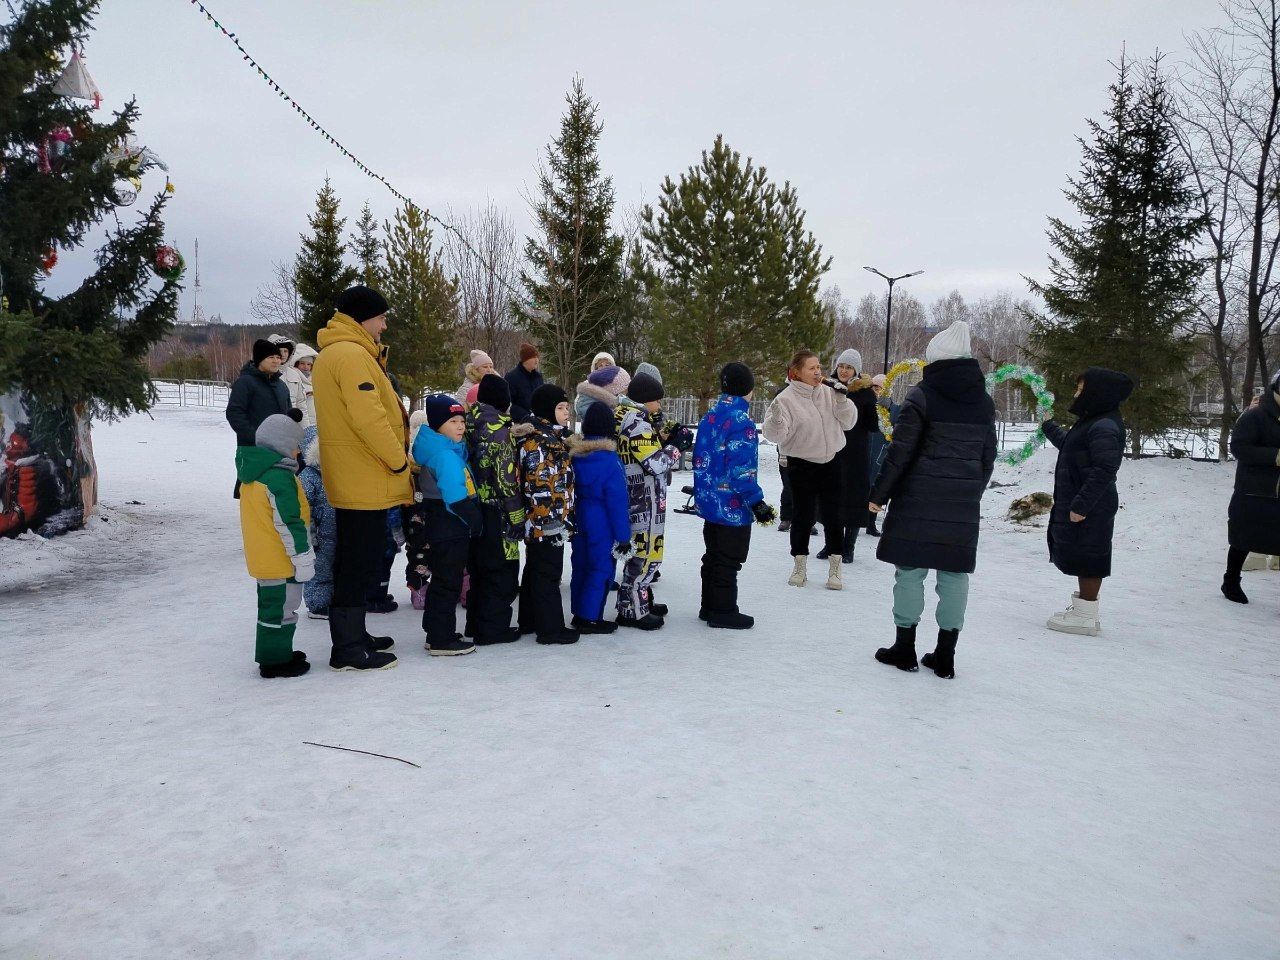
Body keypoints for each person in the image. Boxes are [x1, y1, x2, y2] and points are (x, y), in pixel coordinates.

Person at [869, 320, 996, 680]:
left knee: (910, 571)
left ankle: (904, 648)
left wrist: (878, 495)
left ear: (935, 359)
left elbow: (900, 453)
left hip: (917, 500)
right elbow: (988, 456)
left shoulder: (922, 396)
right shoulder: (984, 402)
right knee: (955, 575)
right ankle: (945, 656)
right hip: (962, 504)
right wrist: (971, 490)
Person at [311, 285, 404, 672]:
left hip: (359, 472)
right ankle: (347, 647)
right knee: (355, 560)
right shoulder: (350, 355)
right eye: (381, 317)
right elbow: (369, 417)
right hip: (363, 472)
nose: (384, 325)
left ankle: (355, 635)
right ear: (364, 317)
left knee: (358, 558)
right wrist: (399, 461)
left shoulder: (349, 352)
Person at [1042, 367, 1134, 635]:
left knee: (1091, 555)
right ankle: (1083, 609)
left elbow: (1105, 468)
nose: (1076, 394)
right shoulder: (1094, 420)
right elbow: (1072, 445)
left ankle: (1085, 616)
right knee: (1084, 553)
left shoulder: (1104, 424)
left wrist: (1081, 505)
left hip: (1092, 504)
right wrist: (1048, 425)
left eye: (1081, 389)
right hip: (1086, 501)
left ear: (1098, 392)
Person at [762, 350, 856, 590]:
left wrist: (843, 400)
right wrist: (775, 421)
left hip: (832, 461)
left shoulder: (829, 392)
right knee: (803, 516)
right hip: (801, 464)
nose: (817, 372)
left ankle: (835, 568)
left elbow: (849, 422)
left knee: (833, 516)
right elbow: (776, 436)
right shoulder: (785, 399)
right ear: (796, 372)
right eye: (811, 368)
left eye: (818, 367)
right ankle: (800, 565)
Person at [693, 362, 776, 629]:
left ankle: (709, 606)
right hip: (732, 505)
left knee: (713, 555)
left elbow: (701, 458)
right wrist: (757, 502)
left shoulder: (710, 417)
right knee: (729, 560)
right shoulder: (742, 423)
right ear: (748, 390)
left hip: (710, 503)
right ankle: (724, 610)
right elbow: (742, 470)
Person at [236, 410, 313, 678]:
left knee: (272, 607)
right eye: (295, 447)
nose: (298, 453)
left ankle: (278, 652)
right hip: (281, 559)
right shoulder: (277, 478)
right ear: (281, 445)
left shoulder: (255, 473)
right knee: (282, 609)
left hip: (265, 557)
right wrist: (302, 556)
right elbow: (289, 522)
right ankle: (275, 662)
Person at [613, 372, 693, 629]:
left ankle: (640, 599)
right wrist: (677, 446)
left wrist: (667, 435)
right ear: (646, 400)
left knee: (645, 551)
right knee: (645, 554)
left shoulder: (626, 417)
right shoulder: (637, 424)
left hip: (641, 496)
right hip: (643, 499)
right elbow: (656, 463)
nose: (659, 406)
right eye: (657, 401)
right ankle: (633, 611)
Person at [411, 394, 483, 656]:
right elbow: (455, 497)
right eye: (453, 421)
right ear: (438, 425)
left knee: (443, 578)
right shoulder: (445, 455)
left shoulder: (444, 449)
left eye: (462, 420)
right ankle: (441, 638)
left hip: (442, 523)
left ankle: (436, 631)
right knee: (448, 581)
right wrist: (475, 521)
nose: (460, 426)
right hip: (450, 524)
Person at [464, 374, 531, 645]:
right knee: (502, 572)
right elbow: (507, 481)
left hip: (473, 507)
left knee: (479, 569)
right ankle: (493, 628)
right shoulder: (500, 431)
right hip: (498, 511)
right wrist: (516, 518)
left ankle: (475, 623)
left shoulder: (470, 424)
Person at [516, 384, 579, 644]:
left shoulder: (552, 437)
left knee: (536, 570)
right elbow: (537, 483)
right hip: (546, 520)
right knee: (548, 573)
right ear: (546, 410)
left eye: (567, 408)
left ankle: (530, 619)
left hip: (549, 518)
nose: (566, 413)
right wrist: (551, 521)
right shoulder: (540, 441)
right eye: (561, 408)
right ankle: (550, 628)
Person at [569, 401, 632, 633]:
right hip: (602, 522)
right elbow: (617, 502)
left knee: (581, 565)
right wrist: (624, 537)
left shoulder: (576, 457)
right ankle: (590, 617)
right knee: (601, 567)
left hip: (579, 517)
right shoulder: (609, 461)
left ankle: (579, 612)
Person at [1222, 371, 1280, 604]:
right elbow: (1239, 447)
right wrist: (1276, 456)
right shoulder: (1256, 414)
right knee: (1244, 536)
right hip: (1256, 490)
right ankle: (1231, 581)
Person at [821, 348, 879, 564]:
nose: (844, 371)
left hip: (855, 454)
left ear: (857, 370)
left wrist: (876, 407)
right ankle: (830, 544)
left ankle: (848, 547)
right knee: (830, 498)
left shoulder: (864, 393)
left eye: (849, 367)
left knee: (853, 498)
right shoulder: (827, 388)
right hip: (831, 450)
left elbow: (873, 426)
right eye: (841, 366)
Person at [297, 426, 335, 620]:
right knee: (319, 570)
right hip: (319, 535)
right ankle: (317, 605)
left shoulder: (335, 475)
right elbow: (303, 510)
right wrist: (311, 536)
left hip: (335, 532)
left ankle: (331, 600)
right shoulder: (308, 477)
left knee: (333, 568)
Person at [865, 374, 894, 537]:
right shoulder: (865, 404)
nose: (876, 391)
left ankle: (871, 523)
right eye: (873, 388)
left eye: (879, 388)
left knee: (876, 489)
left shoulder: (891, 409)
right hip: (865, 451)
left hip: (881, 453)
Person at [505, 342, 545, 423]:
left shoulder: (538, 377)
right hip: (520, 423)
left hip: (539, 421)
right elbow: (509, 404)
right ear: (525, 360)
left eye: (537, 357)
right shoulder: (511, 377)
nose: (537, 360)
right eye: (534, 357)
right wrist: (526, 416)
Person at [288, 343, 318, 428]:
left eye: (309, 364)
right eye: (302, 363)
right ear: (296, 363)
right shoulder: (293, 378)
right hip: (301, 420)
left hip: (316, 419)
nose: (306, 367)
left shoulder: (315, 378)